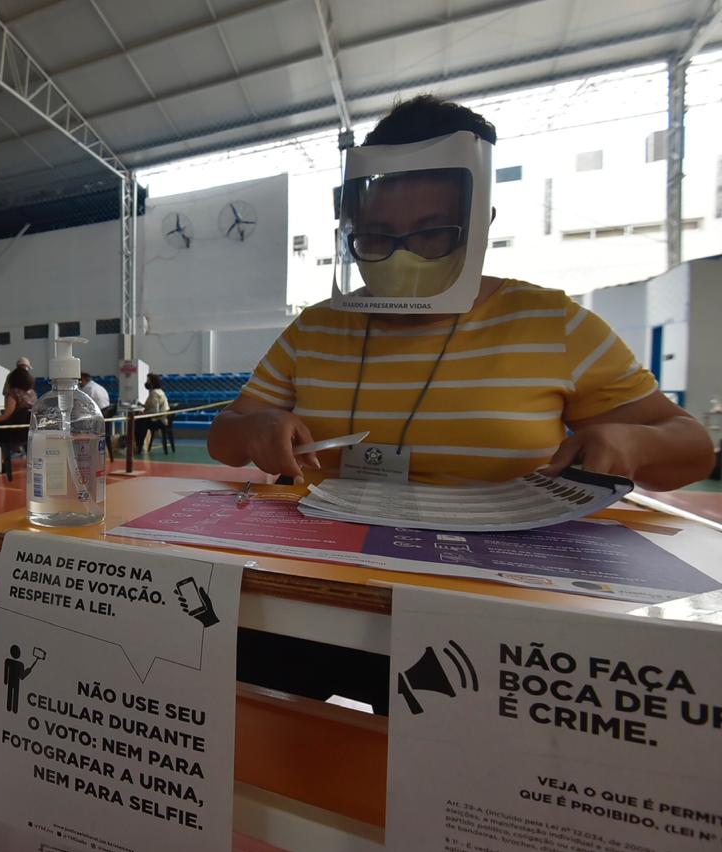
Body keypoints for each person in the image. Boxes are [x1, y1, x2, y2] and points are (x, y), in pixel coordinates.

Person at [209, 95, 715, 713]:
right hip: (324, 591)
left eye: (431, 235)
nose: (402, 255)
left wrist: (632, 443)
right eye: (376, 237)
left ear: (481, 222)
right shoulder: (317, 327)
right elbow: (224, 436)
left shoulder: (550, 322)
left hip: (490, 611)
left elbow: (690, 449)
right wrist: (254, 428)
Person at [134, 374, 170, 452]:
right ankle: (139, 445)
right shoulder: (159, 391)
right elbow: (152, 406)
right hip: (162, 419)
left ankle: (139, 446)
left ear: (152, 382)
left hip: (158, 420)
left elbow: (154, 411)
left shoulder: (154, 393)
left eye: (148, 381)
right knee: (141, 420)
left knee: (139, 422)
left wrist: (143, 414)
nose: (147, 382)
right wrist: (143, 406)